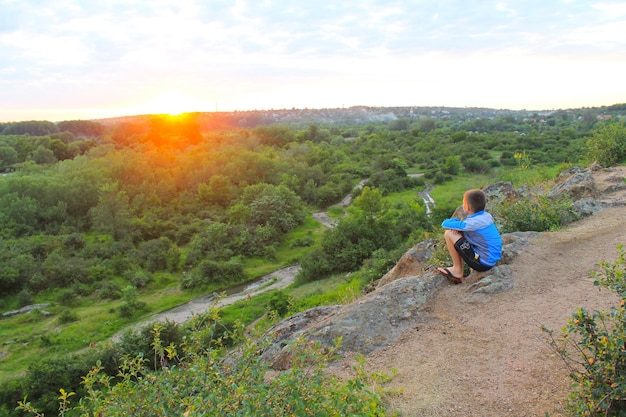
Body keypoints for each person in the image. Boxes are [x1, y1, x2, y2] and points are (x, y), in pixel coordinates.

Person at [436, 189, 502, 284]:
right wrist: (460, 229)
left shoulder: (472, 223)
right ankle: (458, 269)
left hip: (482, 263)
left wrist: (458, 225)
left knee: (449, 233)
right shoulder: (485, 216)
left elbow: (445, 224)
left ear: (466, 206)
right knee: (461, 232)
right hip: (491, 260)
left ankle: (457, 270)